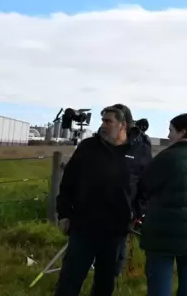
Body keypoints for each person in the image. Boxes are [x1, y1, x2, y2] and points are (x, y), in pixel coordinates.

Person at [54, 104, 153, 296]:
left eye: (108, 121)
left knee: (105, 283)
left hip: (116, 231)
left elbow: (146, 189)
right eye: (102, 120)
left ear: (123, 125)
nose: (103, 125)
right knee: (69, 281)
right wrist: (64, 214)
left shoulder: (141, 151)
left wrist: (136, 213)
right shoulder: (88, 147)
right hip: (83, 226)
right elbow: (68, 183)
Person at [140, 113, 187, 296]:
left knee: (160, 284)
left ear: (182, 132)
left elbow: (145, 187)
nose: (168, 135)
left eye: (170, 130)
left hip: (164, 233)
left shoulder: (166, 157)